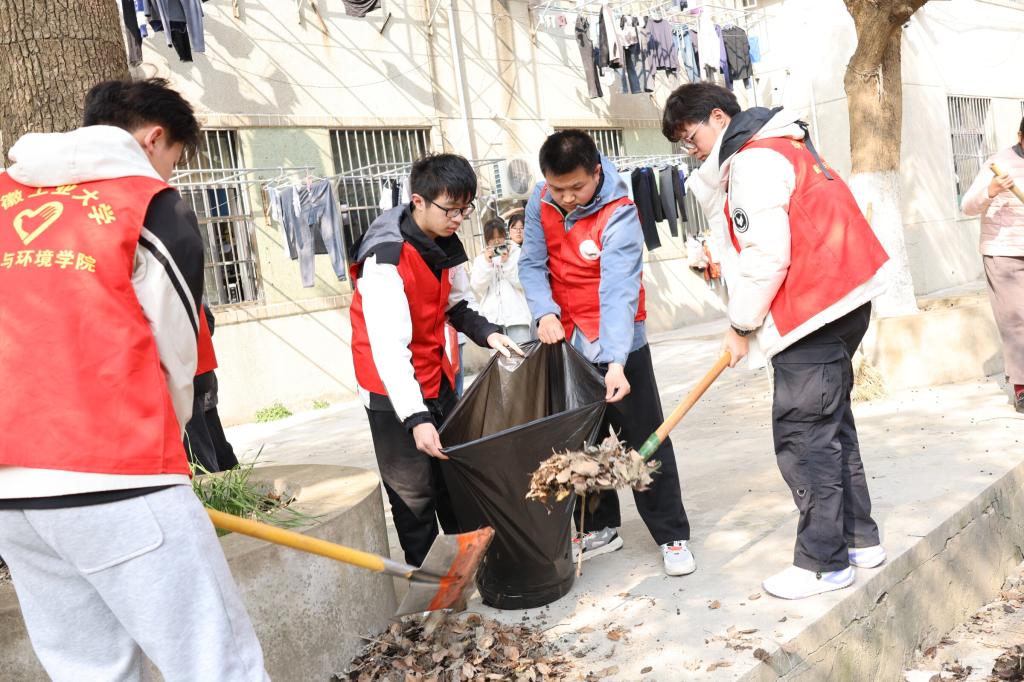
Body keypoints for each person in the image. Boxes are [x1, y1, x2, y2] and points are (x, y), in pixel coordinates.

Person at [0, 78, 268, 679]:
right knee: (214, 664)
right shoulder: (152, 205)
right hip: (119, 474)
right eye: (174, 158)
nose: (170, 172)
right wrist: (166, 454)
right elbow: (177, 351)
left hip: (11, 492)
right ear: (154, 138)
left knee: (90, 670)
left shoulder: (2, 197)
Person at [662, 82, 890, 600]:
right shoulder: (785, 144)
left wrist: (741, 325)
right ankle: (860, 540)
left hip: (812, 312)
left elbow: (768, 255)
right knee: (832, 428)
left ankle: (823, 563)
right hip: (842, 302)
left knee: (804, 438)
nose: (689, 149)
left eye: (690, 136)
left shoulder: (753, 161)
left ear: (718, 118)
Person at [519, 130, 696, 577]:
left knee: (644, 439)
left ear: (596, 173)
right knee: (581, 440)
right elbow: (532, 264)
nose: (566, 198)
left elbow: (617, 290)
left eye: (576, 188)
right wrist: (543, 312)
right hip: (567, 338)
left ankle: (671, 534)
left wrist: (617, 361)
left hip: (618, 339)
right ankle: (599, 527)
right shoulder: (540, 200)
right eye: (557, 188)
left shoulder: (620, 212)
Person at [349, 153, 523, 566]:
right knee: (415, 498)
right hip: (389, 389)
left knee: (455, 479)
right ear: (418, 201)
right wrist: (416, 418)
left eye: (465, 209)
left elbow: (456, 305)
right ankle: (429, 591)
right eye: (451, 209)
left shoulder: (445, 242)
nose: (459, 219)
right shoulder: (385, 259)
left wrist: (489, 333)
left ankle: (469, 571)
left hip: (434, 372)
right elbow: (389, 348)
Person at [961, 117, 1024, 414]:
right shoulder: (997, 164)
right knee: (1016, 322)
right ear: (1020, 136)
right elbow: (967, 206)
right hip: (1004, 254)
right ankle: (1022, 387)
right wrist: (992, 190)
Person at [470, 217, 533, 345]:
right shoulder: (481, 259)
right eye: (492, 238)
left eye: (499, 237)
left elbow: (523, 283)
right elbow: (476, 287)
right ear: (486, 239)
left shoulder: (518, 253)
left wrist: (506, 263)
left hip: (517, 318)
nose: (497, 241)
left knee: (522, 352)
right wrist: (487, 264)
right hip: (492, 321)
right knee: (498, 356)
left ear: (505, 235)